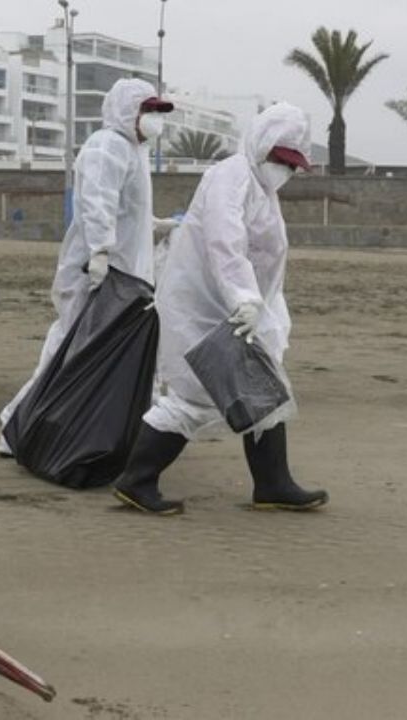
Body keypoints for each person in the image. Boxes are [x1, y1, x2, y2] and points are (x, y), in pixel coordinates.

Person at [111, 102, 329, 515]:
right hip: (204, 307)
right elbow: (224, 244)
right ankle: (136, 480)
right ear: (261, 145)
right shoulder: (230, 177)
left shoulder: (261, 189)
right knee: (194, 397)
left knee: (264, 390)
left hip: (236, 307)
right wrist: (244, 299)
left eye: (292, 164)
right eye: (281, 160)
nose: (286, 171)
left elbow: (265, 256)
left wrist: (261, 307)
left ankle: (273, 483)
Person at [0, 77, 174, 455]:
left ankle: (78, 428)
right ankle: (18, 426)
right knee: (70, 347)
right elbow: (96, 203)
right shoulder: (107, 146)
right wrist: (99, 253)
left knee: (96, 351)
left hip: (123, 274)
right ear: (128, 111)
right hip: (98, 274)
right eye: (148, 110)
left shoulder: (132, 151)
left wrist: (153, 225)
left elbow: (125, 206)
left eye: (157, 112)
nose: (155, 120)